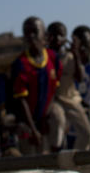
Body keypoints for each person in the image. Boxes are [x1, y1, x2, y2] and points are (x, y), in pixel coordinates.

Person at [9, 17, 62, 153]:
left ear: (44, 35)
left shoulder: (52, 57)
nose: (31, 36)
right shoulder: (20, 64)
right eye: (27, 32)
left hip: (47, 114)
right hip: (28, 121)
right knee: (34, 159)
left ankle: (57, 149)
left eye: (35, 31)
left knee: (58, 114)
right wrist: (33, 128)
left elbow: (54, 88)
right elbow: (21, 101)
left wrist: (46, 115)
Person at [44, 22, 90, 151]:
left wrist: (76, 54)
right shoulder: (45, 57)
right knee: (58, 122)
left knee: (87, 134)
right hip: (54, 101)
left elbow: (80, 78)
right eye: (53, 35)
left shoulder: (70, 56)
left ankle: (75, 161)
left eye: (60, 35)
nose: (57, 39)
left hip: (70, 99)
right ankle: (55, 157)